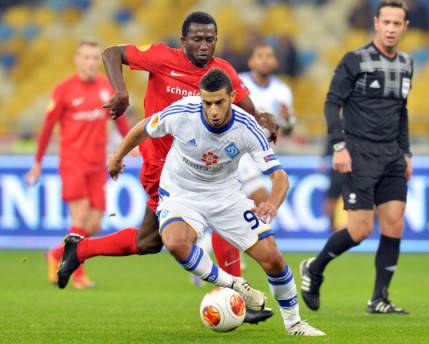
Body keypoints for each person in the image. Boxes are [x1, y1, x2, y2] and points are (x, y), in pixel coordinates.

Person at [57, 11, 277, 323]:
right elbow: (112, 53)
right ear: (183, 40)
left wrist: (265, 120)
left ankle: (79, 250)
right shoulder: (162, 57)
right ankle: (237, 294)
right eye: (197, 39)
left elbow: (247, 110)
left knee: (148, 242)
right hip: (162, 169)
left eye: (210, 39)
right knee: (214, 218)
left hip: (199, 167)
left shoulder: (222, 72)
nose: (204, 45)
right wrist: (121, 91)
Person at [107, 68, 324, 336]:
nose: (213, 111)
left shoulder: (248, 128)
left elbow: (279, 177)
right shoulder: (182, 113)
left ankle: (294, 324)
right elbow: (143, 128)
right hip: (181, 193)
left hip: (225, 196)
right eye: (207, 103)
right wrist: (118, 156)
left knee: (273, 259)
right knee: (175, 242)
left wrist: (271, 203)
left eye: (219, 102)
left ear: (232, 96)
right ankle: (234, 284)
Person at [300, 0, 413, 314]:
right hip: (359, 153)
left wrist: (406, 153)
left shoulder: (406, 63)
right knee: (361, 230)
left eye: (397, 23)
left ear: (405, 27)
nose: (391, 28)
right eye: (386, 22)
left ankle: (380, 298)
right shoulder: (355, 60)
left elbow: (401, 112)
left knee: (394, 224)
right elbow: (331, 103)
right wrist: (338, 145)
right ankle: (315, 267)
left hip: (392, 155)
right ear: (376, 23)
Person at [26, 40, 131, 289]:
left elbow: (119, 120)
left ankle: (55, 254)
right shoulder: (64, 89)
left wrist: (131, 144)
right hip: (72, 162)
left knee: (94, 224)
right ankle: (77, 274)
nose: (91, 62)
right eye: (86, 57)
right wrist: (37, 163)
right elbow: (47, 127)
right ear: (77, 59)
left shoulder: (106, 88)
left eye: (95, 58)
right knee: (81, 217)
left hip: (98, 165)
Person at [238, 42, 296, 205]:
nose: (264, 60)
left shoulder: (282, 90)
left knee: (250, 209)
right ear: (251, 62)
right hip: (240, 152)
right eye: (260, 56)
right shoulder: (239, 82)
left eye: (269, 56)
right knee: (263, 199)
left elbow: (289, 129)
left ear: (275, 62)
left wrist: (286, 121)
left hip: (263, 154)